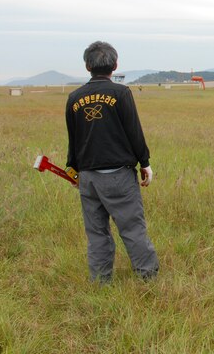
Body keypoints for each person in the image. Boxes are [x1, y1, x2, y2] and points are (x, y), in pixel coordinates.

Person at [66, 41, 159, 283]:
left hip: (88, 178)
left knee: (96, 233)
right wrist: (145, 162)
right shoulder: (121, 93)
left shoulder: (74, 98)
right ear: (115, 65)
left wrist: (74, 170)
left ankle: (100, 281)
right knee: (132, 228)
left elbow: (73, 139)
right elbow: (134, 132)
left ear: (87, 66)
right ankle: (147, 277)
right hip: (118, 175)